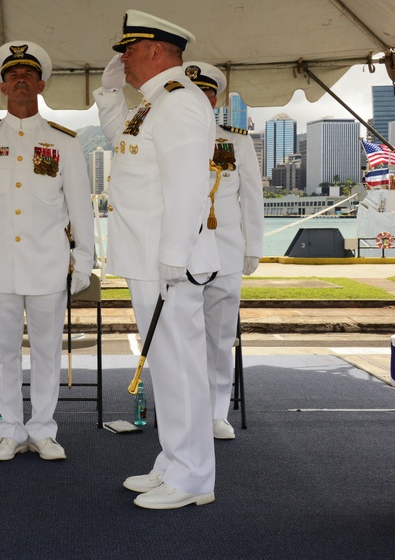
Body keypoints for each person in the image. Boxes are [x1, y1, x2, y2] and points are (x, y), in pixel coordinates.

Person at [94, 10, 219, 509]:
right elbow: (121, 144)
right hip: (148, 257)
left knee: (181, 366)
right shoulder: (151, 104)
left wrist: (173, 253)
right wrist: (107, 95)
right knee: (164, 366)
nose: (122, 59)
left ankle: (194, 479)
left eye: (129, 50)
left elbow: (188, 184)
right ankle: (173, 460)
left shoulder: (180, 103)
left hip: (169, 260)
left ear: (155, 51)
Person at [0, 41, 94, 462]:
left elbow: (80, 207)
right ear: (2, 87)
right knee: (0, 352)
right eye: (13, 75)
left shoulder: (64, 142)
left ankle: (43, 431)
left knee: (47, 351)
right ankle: (10, 432)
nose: (20, 81)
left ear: (41, 84)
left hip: (48, 265)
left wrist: (84, 260)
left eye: (28, 75)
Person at [182, 62, 263, 440]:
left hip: (226, 251)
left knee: (219, 338)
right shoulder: (169, 136)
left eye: (207, 92)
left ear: (214, 99)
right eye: (193, 90)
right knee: (181, 336)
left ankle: (216, 412)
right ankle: (183, 409)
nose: (202, 97)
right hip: (179, 253)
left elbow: (252, 198)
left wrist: (254, 249)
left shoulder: (237, 140)